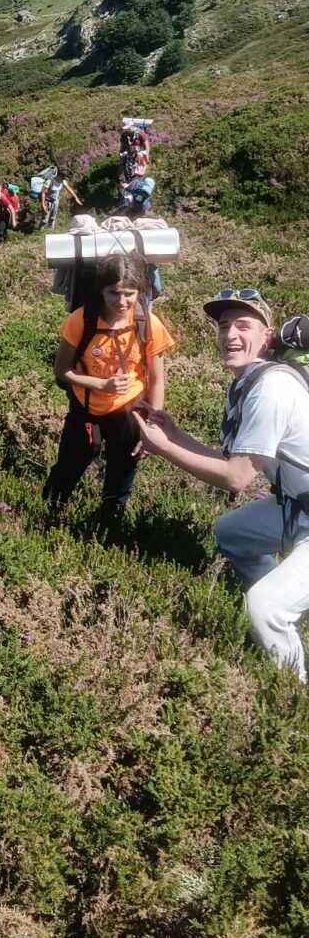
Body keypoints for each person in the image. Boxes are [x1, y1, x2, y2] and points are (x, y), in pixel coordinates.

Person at [136, 291, 309, 682]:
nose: (230, 334)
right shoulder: (250, 382)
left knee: (266, 608)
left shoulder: (271, 390)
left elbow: (236, 478)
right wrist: (174, 435)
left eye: (243, 325)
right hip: (298, 506)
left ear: (266, 337)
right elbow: (232, 459)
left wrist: (163, 449)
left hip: (302, 510)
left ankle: (293, 690)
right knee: (232, 532)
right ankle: (276, 600)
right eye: (224, 325)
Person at [43, 252, 174, 519]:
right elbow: (61, 369)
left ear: (140, 291)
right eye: (114, 292)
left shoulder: (148, 323)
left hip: (129, 410)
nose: (121, 301)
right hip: (85, 408)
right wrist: (101, 384)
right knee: (70, 464)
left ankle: (110, 518)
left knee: (123, 468)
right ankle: (49, 511)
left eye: (129, 293)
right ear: (101, 290)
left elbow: (157, 380)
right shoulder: (81, 319)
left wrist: (151, 425)